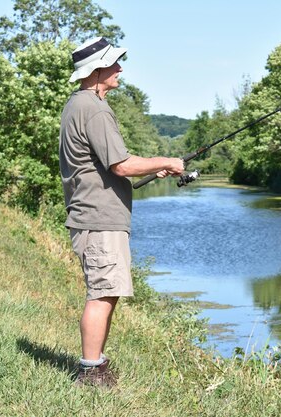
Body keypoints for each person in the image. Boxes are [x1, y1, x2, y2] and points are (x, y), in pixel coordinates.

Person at [59, 37, 185, 387]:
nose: (120, 69)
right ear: (97, 69)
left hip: (93, 214)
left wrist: (152, 170)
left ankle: (96, 363)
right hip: (98, 219)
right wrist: (167, 160)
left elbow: (105, 166)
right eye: (114, 64)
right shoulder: (95, 109)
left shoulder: (77, 104)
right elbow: (121, 165)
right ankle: (90, 371)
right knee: (101, 294)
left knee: (106, 291)